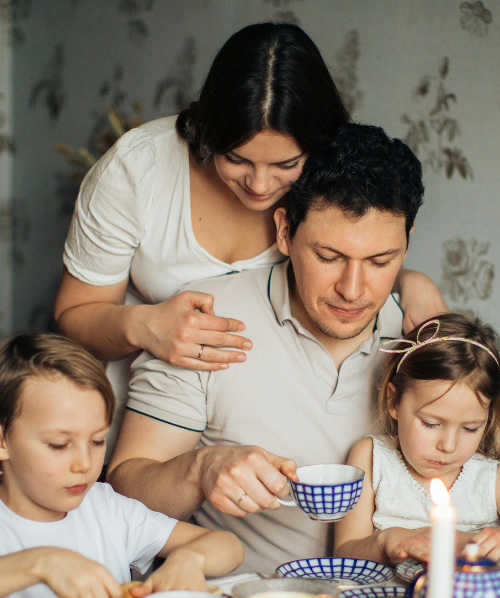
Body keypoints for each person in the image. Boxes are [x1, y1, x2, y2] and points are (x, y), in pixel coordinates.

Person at [54, 22, 446, 454]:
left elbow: (351, 245)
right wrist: (143, 325)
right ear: (208, 132)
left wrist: (411, 282)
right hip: (136, 417)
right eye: (236, 158)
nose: (260, 185)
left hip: (249, 424)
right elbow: (75, 313)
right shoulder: (138, 170)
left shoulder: (319, 177)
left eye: (284, 164)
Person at [107, 123, 427, 574]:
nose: (353, 290)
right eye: (328, 257)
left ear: (408, 240)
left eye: (379, 261)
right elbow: (123, 494)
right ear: (284, 232)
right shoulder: (205, 320)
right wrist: (201, 469)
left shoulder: (422, 341)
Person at [0, 333, 244, 598]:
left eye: (97, 441)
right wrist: (40, 563)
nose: (84, 463)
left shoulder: (106, 509)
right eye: (59, 445)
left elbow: (229, 546)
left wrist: (191, 558)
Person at [334, 312, 500, 565]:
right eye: (431, 423)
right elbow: (344, 553)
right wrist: (384, 541)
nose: (448, 446)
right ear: (394, 400)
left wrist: (467, 540)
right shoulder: (371, 458)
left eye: (470, 429)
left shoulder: (490, 478)